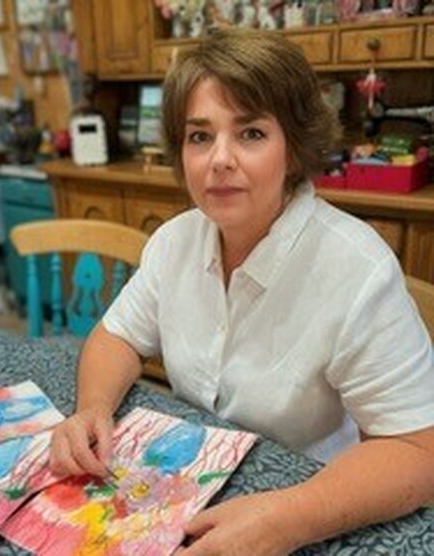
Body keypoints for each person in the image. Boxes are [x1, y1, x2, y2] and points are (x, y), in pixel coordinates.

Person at [49, 29, 434, 555]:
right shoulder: (174, 242)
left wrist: (289, 519)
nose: (219, 159)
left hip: (313, 501)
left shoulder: (357, 270)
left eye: (250, 133)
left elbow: (417, 450)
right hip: (189, 489)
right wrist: (91, 408)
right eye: (200, 136)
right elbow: (116, 337)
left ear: (294, 149)